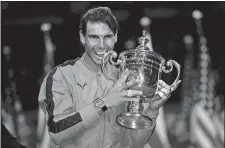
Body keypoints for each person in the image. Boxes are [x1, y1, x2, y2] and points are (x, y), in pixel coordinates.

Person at [38, 6, 181, 148]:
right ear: (82, 37)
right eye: (94, 37)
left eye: (107, 37)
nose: (101, 45)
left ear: (115, 37)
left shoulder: (127, 77)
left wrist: (152, 111)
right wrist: (105, 102)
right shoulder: (61, 76)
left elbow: (135, 142)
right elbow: (57, 130)